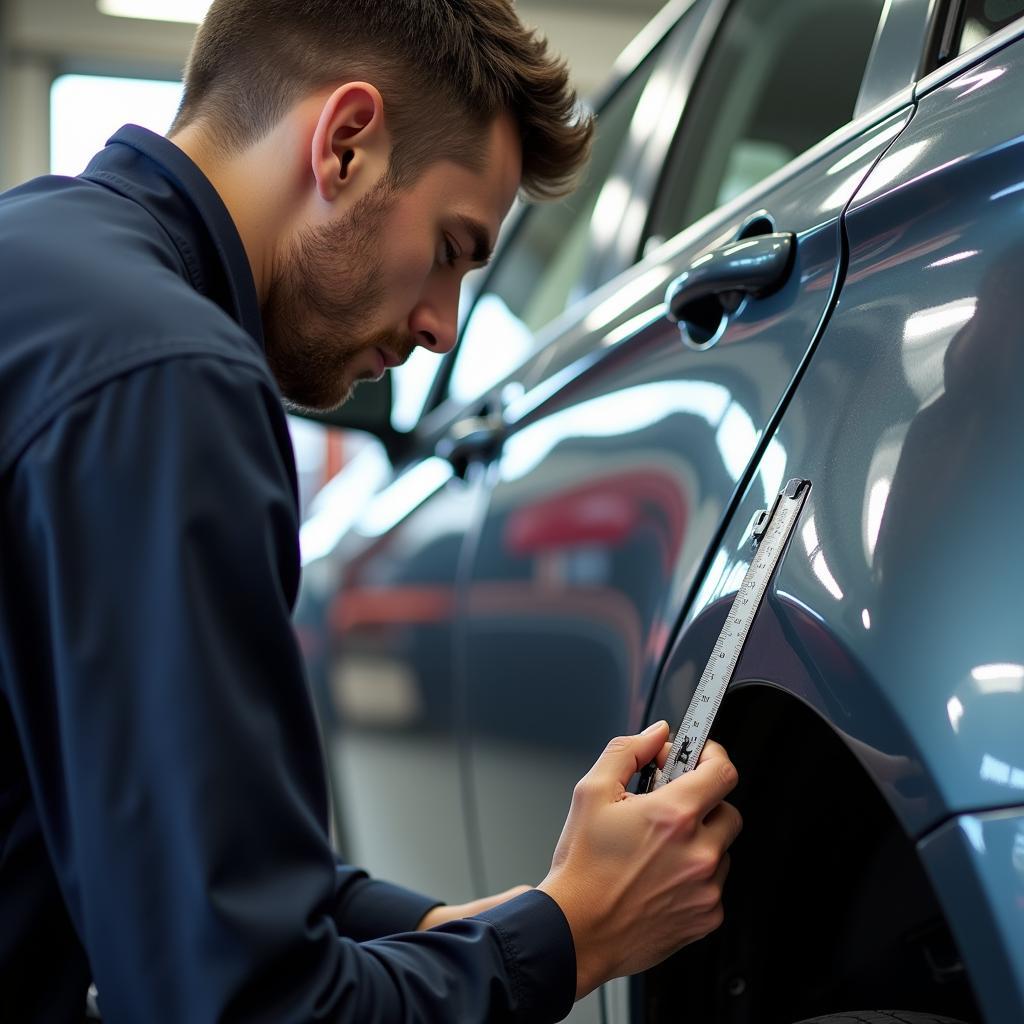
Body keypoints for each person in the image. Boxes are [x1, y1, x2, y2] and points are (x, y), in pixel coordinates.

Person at [0, 1, 742, 1020]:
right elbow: (245, 1003)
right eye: (450, 246)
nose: (442, 329)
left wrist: (487, 921)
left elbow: (189, 862)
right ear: (345, 144)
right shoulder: (171, 379)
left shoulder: (47, 267)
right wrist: (568, 937)